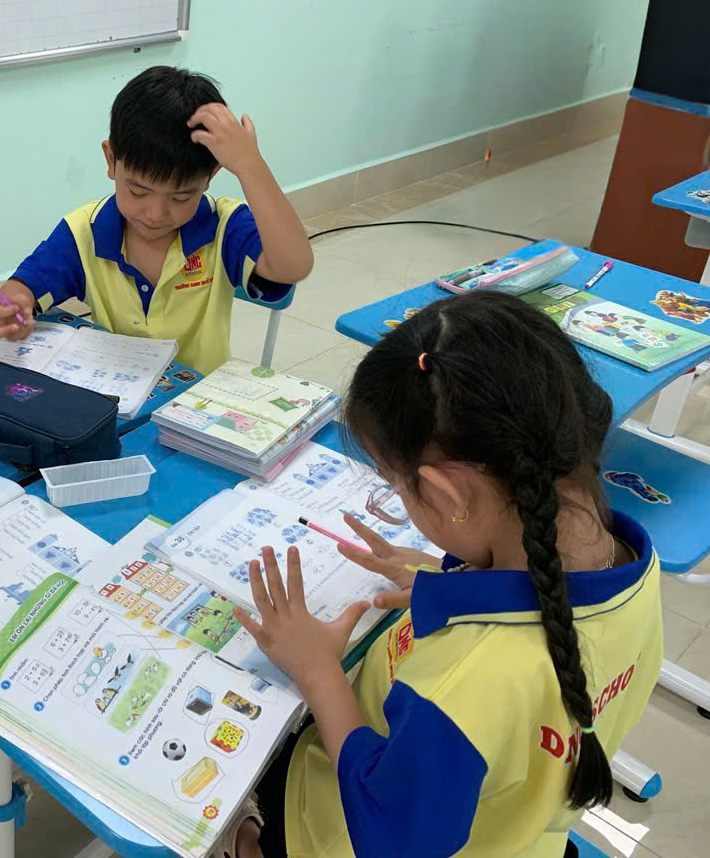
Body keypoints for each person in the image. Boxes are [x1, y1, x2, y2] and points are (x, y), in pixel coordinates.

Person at [224, 291, 663, 858]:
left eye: (394, 484)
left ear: (448, 494)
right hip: (518, 836)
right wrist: (451, 576)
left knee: (265, 763)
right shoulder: (630, 559)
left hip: (346, 831)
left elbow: (391, 837)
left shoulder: (464, 685)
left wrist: (317, 671)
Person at [0, 66, 313, 374]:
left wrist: (249, 165)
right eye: (138, 191)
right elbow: (25, 285)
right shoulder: (85, 230)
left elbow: (293, 266)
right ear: (111, 160)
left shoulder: (225, 227)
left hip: (197, 402)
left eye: (181, 197)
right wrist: (16, 304)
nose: (156, 214)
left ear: (211, 175)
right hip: (115, 396)